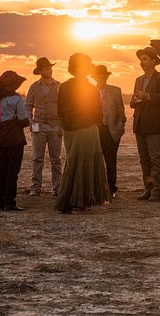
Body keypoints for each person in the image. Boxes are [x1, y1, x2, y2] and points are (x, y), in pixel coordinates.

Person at [54, 53, 108, 213]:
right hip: (87, 130)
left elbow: (60, 110)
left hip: (69, 130)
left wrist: (66, 124)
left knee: (73, 162)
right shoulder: (91, 89)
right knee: (86, 164)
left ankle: (70, 199)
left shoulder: (63, 87)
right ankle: (80, 200)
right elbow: (98, 113)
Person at [131, 46, 160, 202]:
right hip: (139, 122)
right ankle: (148, 189)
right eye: (141, 59)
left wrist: (146, 95)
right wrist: (134, 101)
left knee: (155, 158)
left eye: (145, 59)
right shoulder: (138, 80)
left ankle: (157, 191)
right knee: (143, 159)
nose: (142, 62)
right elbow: (134, 103)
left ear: (154, 61)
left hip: (153, 123)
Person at [0, 71, 29, 211]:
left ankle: (0, 201)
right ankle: (10, 202)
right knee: (13, 171)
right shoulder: (17, 100)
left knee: (2, 170)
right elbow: (24, 121)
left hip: (0, 138)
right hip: (14, 138)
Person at [25, 57, 62, 197]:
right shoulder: (34, 86)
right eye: (46, 68)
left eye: (50, 67)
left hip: (55, 125)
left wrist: (62, 126)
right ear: (40, 71)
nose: (49, 70)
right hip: (37, 125)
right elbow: (28, 105)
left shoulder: (59, 86)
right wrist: (30, 121)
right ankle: (35, 187)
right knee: (37, 158)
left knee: (56, 159)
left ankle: (58, 188)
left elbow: (64, 107)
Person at [92, 64, 126, 198]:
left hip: (111, 131)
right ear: (95, 78)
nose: (101, 78)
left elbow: (121, 112)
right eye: (99, 76)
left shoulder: (115, 90)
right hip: (95, 130)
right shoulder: (89, 91)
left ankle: (112, 189)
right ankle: (97, 188)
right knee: (95, 160)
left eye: (104, 76)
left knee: (111, 161)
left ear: (106, 77)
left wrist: (119, 128)